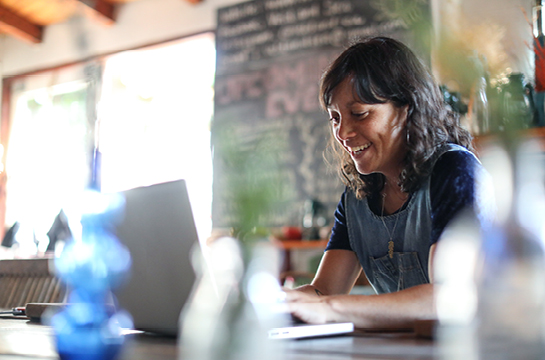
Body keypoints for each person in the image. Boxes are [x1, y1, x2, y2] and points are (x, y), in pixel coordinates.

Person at [285, 36, 487, 329]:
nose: (343, 132)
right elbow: (324, 290)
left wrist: (331, 308)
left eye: (359, 114)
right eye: (335, 118)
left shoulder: (456, 171)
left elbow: (449, 298)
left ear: (407, 108)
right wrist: (274, 304)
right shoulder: (357, 196)